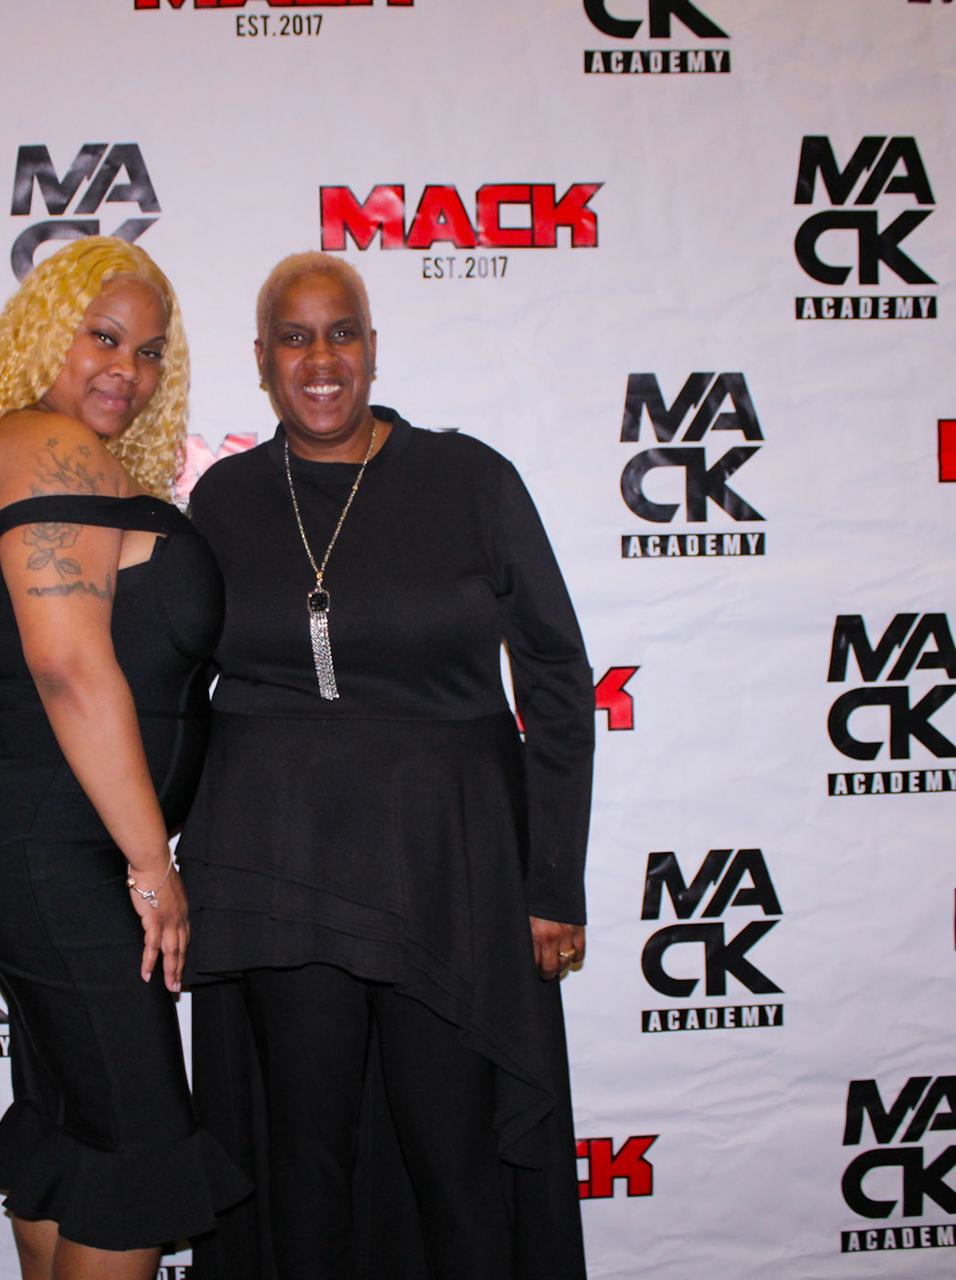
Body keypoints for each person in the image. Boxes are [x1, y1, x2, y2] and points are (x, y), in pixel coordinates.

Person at [181, 252, 595, 1280]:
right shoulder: (224, 499)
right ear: (262, 360)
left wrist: (552, 881)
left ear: (372, 347)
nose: (320, 359)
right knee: (305, 1158)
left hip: (443, 872)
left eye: (342, 333)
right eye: (294, 337)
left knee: (454, 1158)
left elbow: (556, 677)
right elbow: (162, 679)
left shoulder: (470, 479)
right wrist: (7, 694)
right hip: (279, 870)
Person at [0, 237, 247, 1280]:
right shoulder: (49, 445)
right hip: (52, 844)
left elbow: (37, 653)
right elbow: (69, 670)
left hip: (32, 832)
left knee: (79, 1126)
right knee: (139, 1146)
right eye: (102, 337)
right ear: (47, 333)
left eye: (148, 352)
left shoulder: (39, 451)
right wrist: (153, 865)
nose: (126, 370)